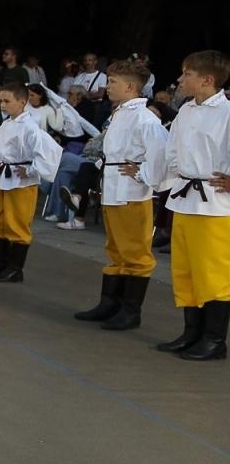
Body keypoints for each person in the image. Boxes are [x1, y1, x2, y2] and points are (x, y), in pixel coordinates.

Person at [71, 59, 169, 330]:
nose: (107, 86)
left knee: (135, 251)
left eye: (112, 82)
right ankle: (110, 302)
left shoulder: (145, 118)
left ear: (129, 86)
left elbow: (161, 154)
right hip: (113, 188)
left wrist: (141, 173)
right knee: (116, 248)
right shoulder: (120, 113)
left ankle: (130, 310)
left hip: (132, 194)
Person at [153, 51, 230, 361]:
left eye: (186, 74)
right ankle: (191, 331)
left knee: (213, 272)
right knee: (185, 269)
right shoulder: (185, 110)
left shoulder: (227, 113)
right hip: (185, 196)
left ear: (207, 80)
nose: (180, 80)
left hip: (214, 202)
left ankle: (214, 339)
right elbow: (172, 149)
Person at [0, 82, 62, 283]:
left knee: (18, 222)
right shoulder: (7, 124)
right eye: (1, 101)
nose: (2, 105)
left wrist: (31, 169)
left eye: (7, 101)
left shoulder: (31, 128)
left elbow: (48, 152)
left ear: (22, 102)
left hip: (22, 182)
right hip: (4, 177)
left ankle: (15, 268)